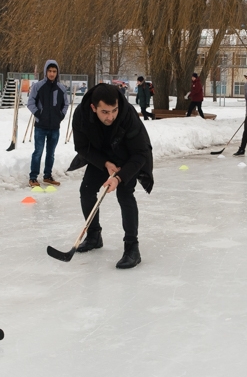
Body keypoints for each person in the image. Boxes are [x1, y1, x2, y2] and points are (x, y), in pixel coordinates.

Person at [69, 83, 154, 269]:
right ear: (94, 108)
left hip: (128, 157)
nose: (111, 116)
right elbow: (82, 147)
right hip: (102, 157)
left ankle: (132, 248)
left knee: (124, 194)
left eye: (114, 110)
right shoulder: (82, 115)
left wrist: (119, 177)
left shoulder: (127, 114)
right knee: (86, 190)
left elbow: (140, 153)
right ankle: (94, 235)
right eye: (105, 112)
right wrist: (104, 163)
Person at [26, 59, 68, 187]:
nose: (52, 73)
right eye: (49, 71)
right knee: (38, 152)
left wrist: (60, 116)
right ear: (45, 71)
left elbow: (65, 104)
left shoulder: (61, 88)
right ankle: (33, 177)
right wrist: (38, 114)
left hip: (55, 127)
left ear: (57, 73)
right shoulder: (38, 86)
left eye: (54, 71)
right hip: (41, 126)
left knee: (51, 153)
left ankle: (47, 176)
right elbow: (30, 102)